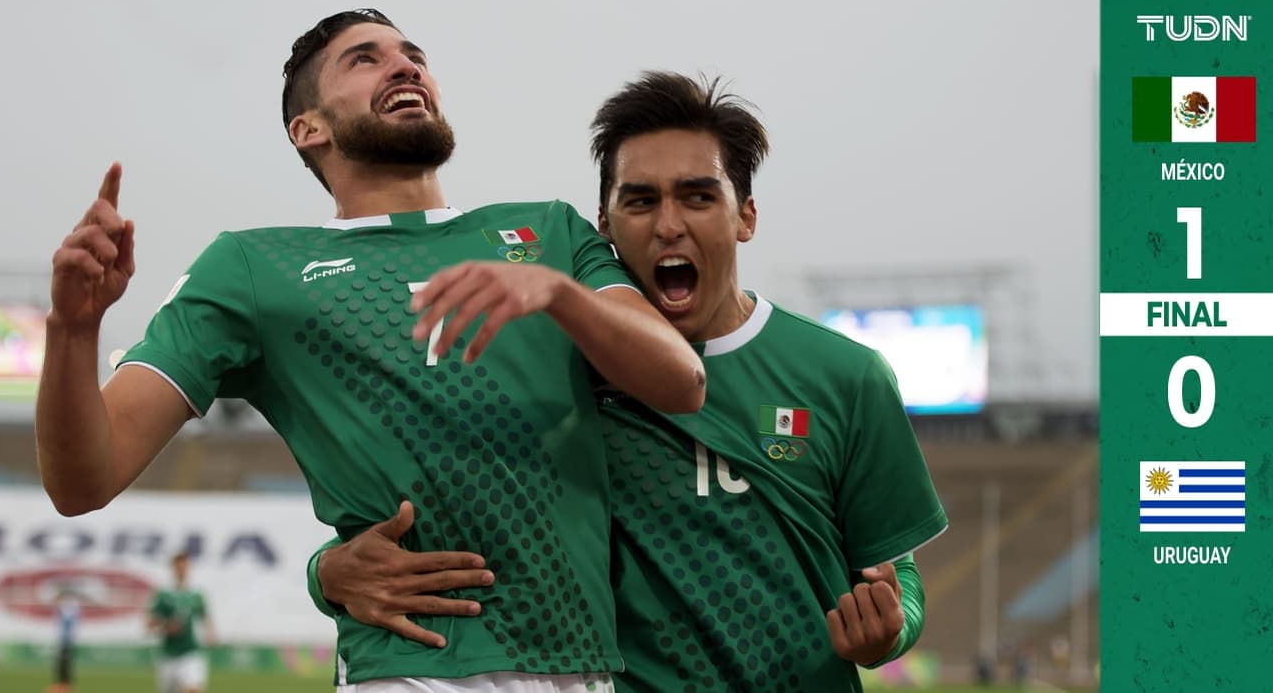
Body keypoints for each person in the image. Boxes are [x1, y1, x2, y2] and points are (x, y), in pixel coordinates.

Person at [35, 8, 705, 693]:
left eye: (413, 54)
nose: (405, 64)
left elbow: (682, 380)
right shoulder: (253, 265)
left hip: (581, 665)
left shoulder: (550, 233)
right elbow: (82, 481)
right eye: (366, 59)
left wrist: (561, 294)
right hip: (409, 669)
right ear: (310, 128)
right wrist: (72, 330)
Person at [310, 72, 948, 692]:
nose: (668, 224)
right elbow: (433, 524)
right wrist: (326, 573)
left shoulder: (845, 374)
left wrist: (889, 631)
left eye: (698, 196)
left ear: (745, 216)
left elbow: (896, 571)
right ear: (604, 225)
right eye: (640, 201)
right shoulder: (551, 375)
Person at [147, 552, 214, 693]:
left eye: (184, 567)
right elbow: (150, 624)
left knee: (192, 689)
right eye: (178, 567)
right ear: (173, 569)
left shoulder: (196, 595)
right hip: (169, 656)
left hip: (190, 653)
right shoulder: (163, 595)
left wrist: (211, 634)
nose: (181, 570)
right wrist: (167, 626)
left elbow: (205, 617)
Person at [47, 589, 81, 693]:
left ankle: (65, 685)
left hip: (67, 640)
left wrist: (58, 603)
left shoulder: (70, 609)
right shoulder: (68, 609)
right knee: (61, 662)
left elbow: (66, 617)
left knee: (64, 663)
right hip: (64, 639)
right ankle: (63, 684)